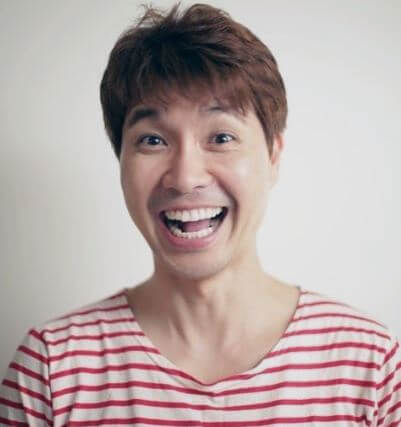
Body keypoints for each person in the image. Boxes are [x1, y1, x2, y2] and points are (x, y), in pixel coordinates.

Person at [1, 3, 400, 426]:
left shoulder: (371, 367)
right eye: (152, 140)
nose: (185, 178)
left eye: (221, 137)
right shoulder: (51, 370)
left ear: (273, 155)